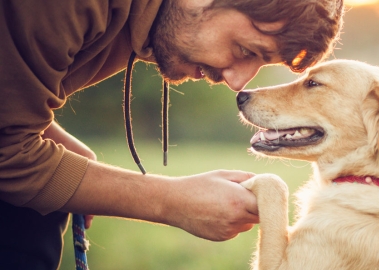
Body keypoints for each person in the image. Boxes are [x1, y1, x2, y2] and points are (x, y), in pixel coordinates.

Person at [0, 0, 344, 269]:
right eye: (244, 50)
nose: (238, 82)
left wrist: (54, 139)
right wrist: (171, 201)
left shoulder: (151, 22)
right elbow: (7, 151)